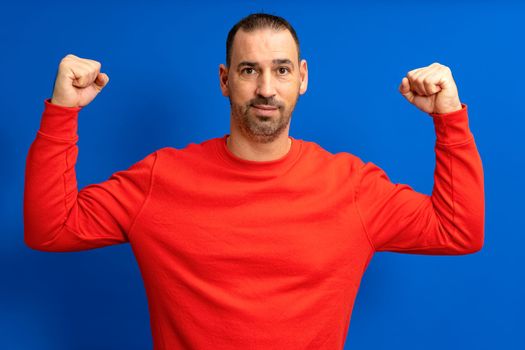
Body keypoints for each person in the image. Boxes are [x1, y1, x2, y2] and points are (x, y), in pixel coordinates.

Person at [24, 13, 484, 350]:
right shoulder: (160, 179)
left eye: (281, 69)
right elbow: (51, 228)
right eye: (249, 70)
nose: (266, 87)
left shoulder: (351, 186)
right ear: (225, 81)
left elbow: (457, 231)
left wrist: (449, 118)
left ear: (301, 78)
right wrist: (63, 111)